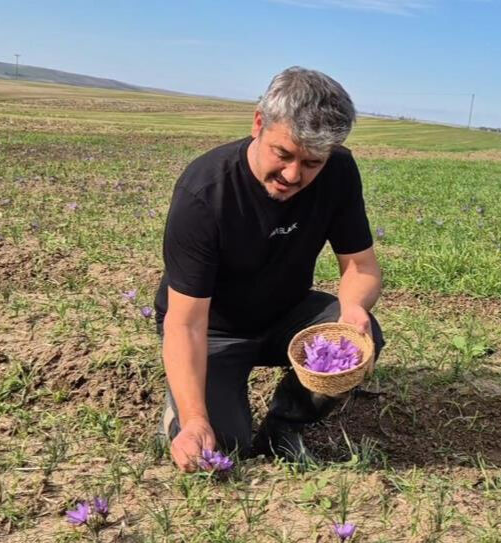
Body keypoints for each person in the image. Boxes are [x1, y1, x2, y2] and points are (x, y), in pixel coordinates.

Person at [153, 67, 385, 471]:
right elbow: (185, 324)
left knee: (359, 339)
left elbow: (360, 266)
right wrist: (194, 420)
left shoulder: (339, 172)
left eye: (312, 162)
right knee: (220, 445)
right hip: (212, 329)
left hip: (284, 314)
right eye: (283, 154)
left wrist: (352, 309)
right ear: (259, 122)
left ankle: (285, 425)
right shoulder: (205, 193)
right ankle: (181, 412)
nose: (293, 175)